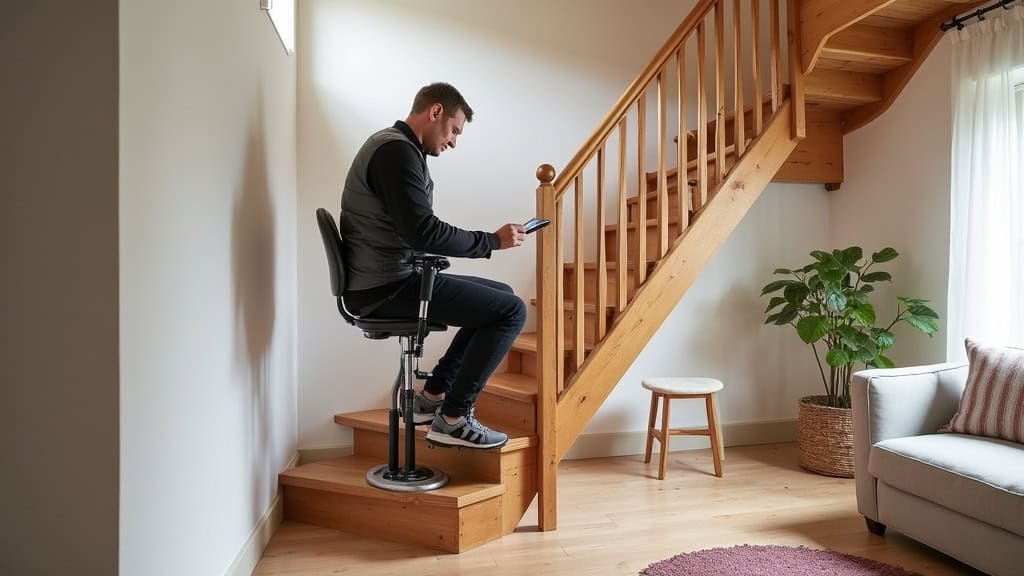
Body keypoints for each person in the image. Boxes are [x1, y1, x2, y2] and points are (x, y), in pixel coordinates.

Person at [339, 82, 527, 450]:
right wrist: (491, 241)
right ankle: (454, 418)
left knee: (500, 297)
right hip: (384, 289)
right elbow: (424, 231)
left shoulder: (399, 148)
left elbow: (414, 230)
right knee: (511, 311)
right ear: (435, 112)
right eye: (455, 130)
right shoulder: (396, 152)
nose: (454, 141)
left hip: (385, 280)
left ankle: (434, 395)